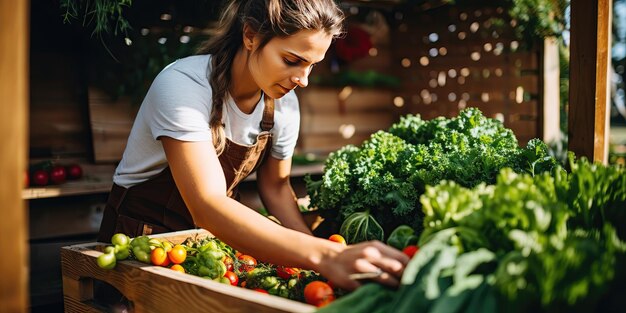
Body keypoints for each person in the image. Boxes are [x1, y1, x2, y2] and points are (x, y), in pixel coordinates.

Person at [98, 0, 408, 291]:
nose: (303, 79)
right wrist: (326, 256)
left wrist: (315, 265)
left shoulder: (284, 107)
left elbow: (275, 188)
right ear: (250, 35)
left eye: (312, 65)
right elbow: (208, 204)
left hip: (207, 247)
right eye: (292, 60)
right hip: (137, 246)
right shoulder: (184, 85)